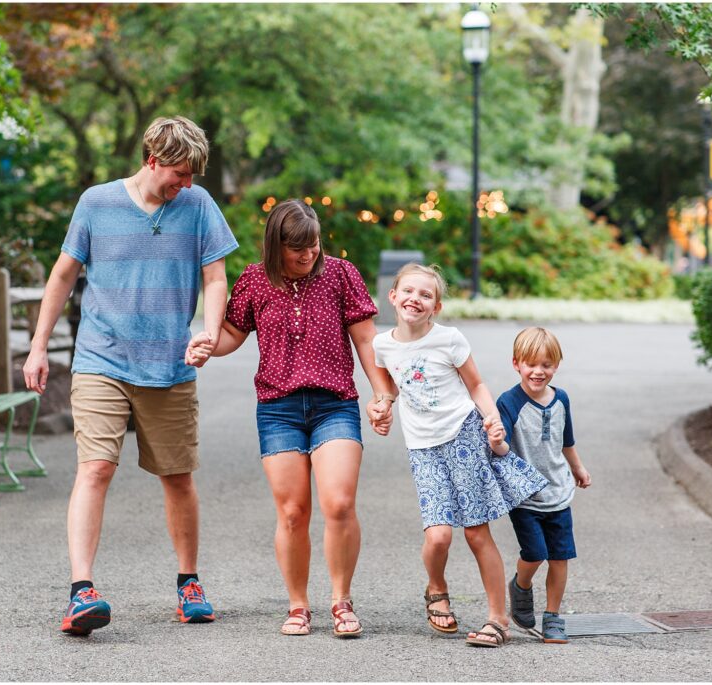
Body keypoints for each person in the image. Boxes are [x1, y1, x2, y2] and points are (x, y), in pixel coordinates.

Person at [22, 116, 238, 635]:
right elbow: (63, 275)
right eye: (180, 174)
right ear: (152, 160)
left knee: (178, 477)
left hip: (170, 363)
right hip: (102, 357)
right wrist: (36, 348)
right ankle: (81, 592)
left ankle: (189, 582)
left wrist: (208, 332)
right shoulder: (96, 203)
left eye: (192, 177)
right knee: (95, 468)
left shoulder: (199, 206)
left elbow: (215, 276)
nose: (186, 185)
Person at [185, 199, 393, 638]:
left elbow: (366, 340)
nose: (308, 255)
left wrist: (382, 392)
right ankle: (298, 604)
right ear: (275, 246)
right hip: (278, 408)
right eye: (298, 248)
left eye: (313, 245)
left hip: (334, 403)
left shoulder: (340, 274)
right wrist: (206, 345)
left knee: (338, 502)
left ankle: (341, 600)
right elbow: (231, 336)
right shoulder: (255, 281)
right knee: (294, 512)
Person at [369, 264, 548, 648]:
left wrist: (492, 419)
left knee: (475, 532)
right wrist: (380, 407)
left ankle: (497, 619)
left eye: (426, 295)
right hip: (422, 447)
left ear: (436, 306)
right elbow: (388, 387)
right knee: (437, 537)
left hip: (463, 436)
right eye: (409, 292)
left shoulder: (449, 339)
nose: (416, 299)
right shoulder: (382, 345)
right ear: (393, 296)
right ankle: (436, 587)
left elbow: (476, 383)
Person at [491, 326, 592, 644]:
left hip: (559, 493)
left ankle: (553, 617)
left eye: (546, 365)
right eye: (531, 364)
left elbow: (567, 438)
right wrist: (496, 443)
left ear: (556, 365)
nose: (538, 372)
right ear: (516, 363)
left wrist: (577, 466)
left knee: (560, 557)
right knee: (534, 554)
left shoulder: (561, 398)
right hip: (526, 496)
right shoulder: (509, 401)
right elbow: (501, 446)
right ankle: (521, 585)